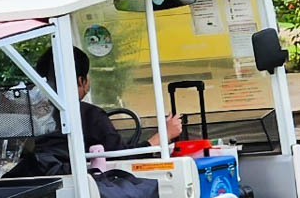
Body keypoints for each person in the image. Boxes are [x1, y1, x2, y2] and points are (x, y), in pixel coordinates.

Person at [12, 48, 182, 175]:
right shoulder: (89, 116)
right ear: (81, 80)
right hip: (85, 193)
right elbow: (122, 159)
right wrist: (162, 137)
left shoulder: (24, 115)